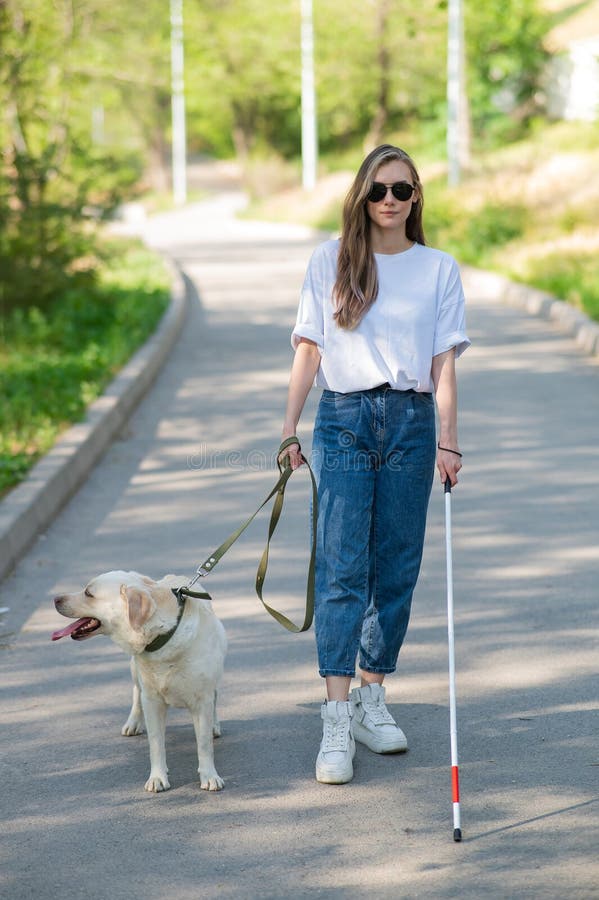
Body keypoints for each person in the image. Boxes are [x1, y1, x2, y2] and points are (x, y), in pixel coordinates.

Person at [280, 144, 470, 784]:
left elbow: (444, 363)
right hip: (344, 419)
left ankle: (370, 695)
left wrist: (448, 440)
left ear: (417, 198)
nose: (390, 201)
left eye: (403, 190)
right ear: (361, 196)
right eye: (379, 190)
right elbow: (309, 349)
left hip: (412, 425)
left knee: (395, 568)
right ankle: (335, 718)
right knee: (341, 568)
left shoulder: (438, 268)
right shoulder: (329, 260)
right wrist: (288, 431)